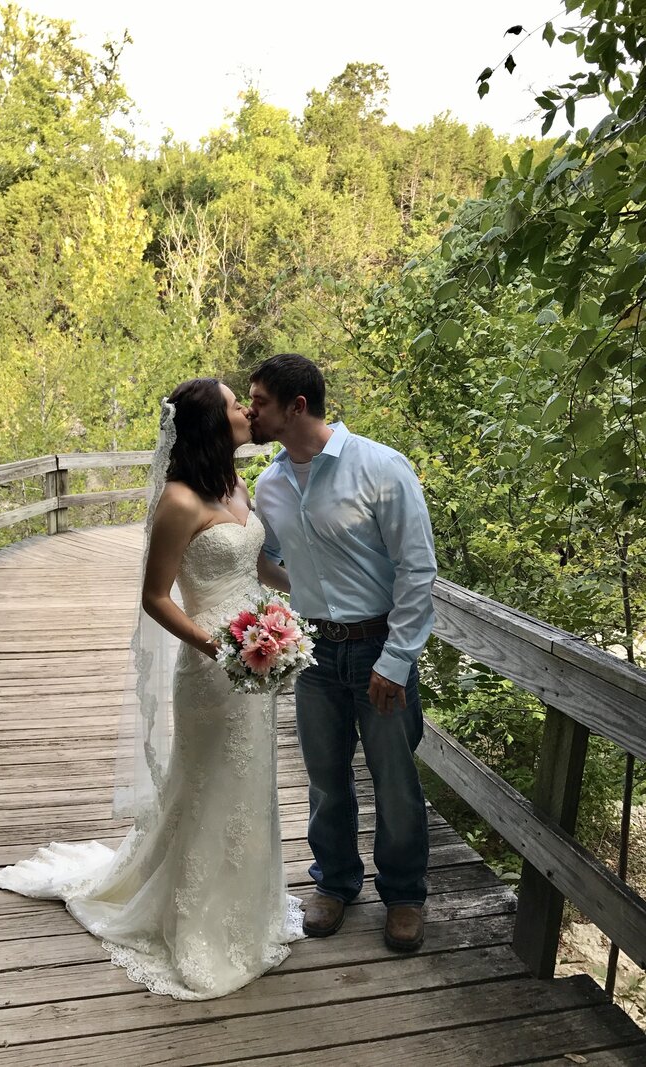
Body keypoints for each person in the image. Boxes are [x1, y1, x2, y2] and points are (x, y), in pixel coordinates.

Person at [0, 378, 303, 1000]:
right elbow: (155, 597)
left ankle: (248, 912)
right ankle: (195, 923)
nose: (246, 410)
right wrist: (217, 644)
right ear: (211, 424)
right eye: (236, 403)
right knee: (208, 783)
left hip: (259, 655)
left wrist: (297, 603)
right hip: (213, 665)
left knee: (249, 782)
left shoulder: (234, 486)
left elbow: (255, 563)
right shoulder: (180, 501)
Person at [249, 353, 437, 951]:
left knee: (396, 782)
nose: (250, 411)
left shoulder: (381, 467)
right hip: (315, 656)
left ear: (296, 406)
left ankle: (404, 895)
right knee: (326, 779)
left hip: (380, 646)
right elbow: (268, 559)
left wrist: (396, 658)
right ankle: (335, 883)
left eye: (258, 401)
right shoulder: (270, 485)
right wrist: (291, 599)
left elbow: (417, 568)